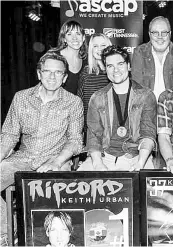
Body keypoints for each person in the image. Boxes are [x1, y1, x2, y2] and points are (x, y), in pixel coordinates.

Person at [0, 52, 83, 245]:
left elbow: (75, 141)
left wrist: (56, 161)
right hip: (22, 159)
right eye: (47, 71)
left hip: (56, 159)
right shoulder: (21, 98)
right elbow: (9, 135)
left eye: (58, 73)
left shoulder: (73, 102)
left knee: (61, 193)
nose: (52, 77)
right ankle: (6, 234)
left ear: (65, 77)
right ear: (39, 74)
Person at [77, 45, 157, 171]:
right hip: (104, 155)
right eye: (110, 66)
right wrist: (98, 164)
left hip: (136, 156)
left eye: (120, 64)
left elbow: (148, 133)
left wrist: (140, 163)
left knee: (147, 185)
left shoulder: (146, 96)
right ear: (105, 69)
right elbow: (93, 136)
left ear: (129, 66)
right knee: (80, 184)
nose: (116, 70)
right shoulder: (97, 98)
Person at [131, 16, 173, 99]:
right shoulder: (140, 52)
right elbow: (137, 88)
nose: (160, 37)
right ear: (149, 34)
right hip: (146, 106)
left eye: (164, 32)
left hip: (172, 105)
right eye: (155, 33)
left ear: (170, 34)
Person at [77, 33, 112, 139]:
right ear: (91, 50)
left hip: (113, 128)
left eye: (103, 45)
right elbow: (80, 103)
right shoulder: (86, 73)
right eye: (95, 46)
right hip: (92, 129)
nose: (99, 49)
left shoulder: (117, 72)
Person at [50, 20, 87, 95]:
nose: (74, 38)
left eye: (78, 34)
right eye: (69, 34)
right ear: (64, 39)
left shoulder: (86, 60)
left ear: (83, 38)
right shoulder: (54, 57)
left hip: (77, 105)